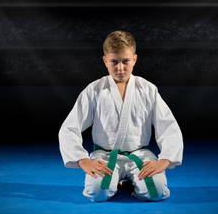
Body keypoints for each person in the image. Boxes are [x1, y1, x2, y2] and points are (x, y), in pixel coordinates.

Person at [58, 31, 183, 202]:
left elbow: (168, 126)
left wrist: (166, 159)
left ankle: (131, 184)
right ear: (105, 61)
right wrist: (82, 160)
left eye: (125, 61)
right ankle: (117, 182)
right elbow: (69, 128)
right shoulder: (94, 90)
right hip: (105, 156)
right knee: (97, 192)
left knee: (157, 191)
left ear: (135, 59)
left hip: (139, 155)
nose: (120, 67)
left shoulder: (147, 89)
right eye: (114, 62)